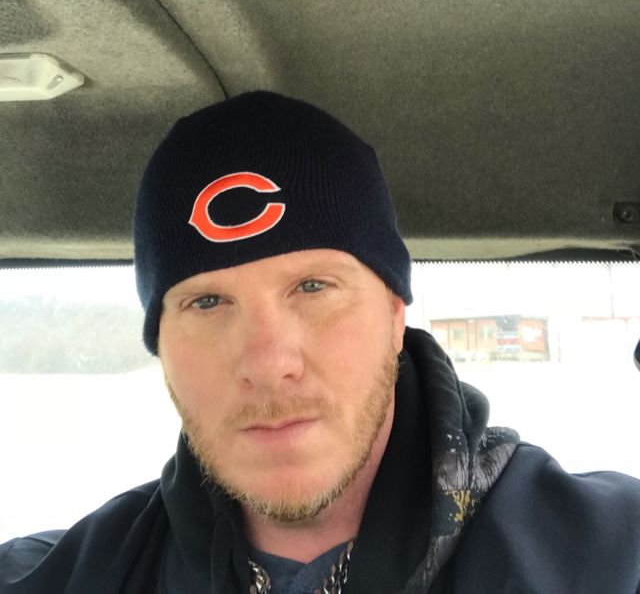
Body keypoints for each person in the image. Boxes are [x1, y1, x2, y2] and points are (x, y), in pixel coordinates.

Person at [1, 90, 640, 594]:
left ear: (395, 313)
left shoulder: (604, 555)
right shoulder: (82, 573)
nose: (269, 363)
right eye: (207, 302)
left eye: (313, 286)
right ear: (161, 344)